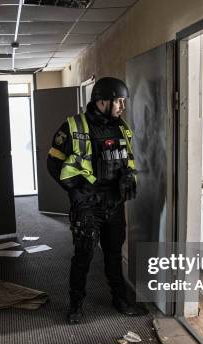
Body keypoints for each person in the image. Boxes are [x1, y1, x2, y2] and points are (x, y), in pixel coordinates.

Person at [46, 77, 146, 324]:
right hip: (88, 203)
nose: (122, 106)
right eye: (119, 101)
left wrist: (128, 176)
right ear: (102, 101)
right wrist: (74, 190)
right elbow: (53, 162)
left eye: (123, 102)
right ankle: (76, 305)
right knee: (84, 255)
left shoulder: (121, 127)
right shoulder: (73, 126)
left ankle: (119, 299)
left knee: (113, 254)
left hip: (113, 203)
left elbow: (128, 158)